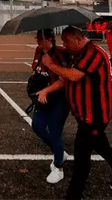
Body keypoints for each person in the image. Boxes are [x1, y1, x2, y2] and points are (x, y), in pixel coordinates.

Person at [41, 27, 112, 199]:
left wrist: (50, 65)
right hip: (84, 113)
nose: (64, 46)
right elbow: (66, 78)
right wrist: (47, 88)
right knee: (100, 144)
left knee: (81, 156)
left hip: (95, 114)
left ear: (76, 39)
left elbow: (74, 76)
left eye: (66, 42)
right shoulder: (79, 54)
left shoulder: (93, 53)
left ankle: (73, 195)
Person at [31, 29, 69, 184]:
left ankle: (59, 167)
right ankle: (59, 151)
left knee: (55, 130)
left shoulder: (60, 53)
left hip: (59, 98)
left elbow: (64, 78)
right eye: (37, 39)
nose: (38, 42)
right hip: (42, 97)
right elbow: (35, 69)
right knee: (37, 126)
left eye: (40, 39)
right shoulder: (38, 51)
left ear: (49, 39)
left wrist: (50, 65)